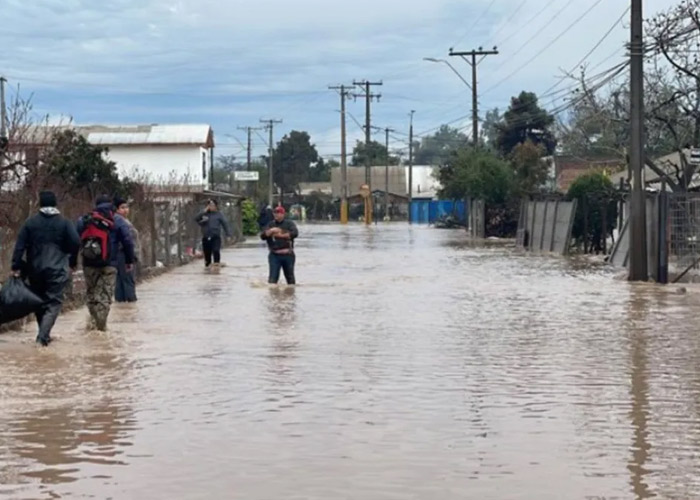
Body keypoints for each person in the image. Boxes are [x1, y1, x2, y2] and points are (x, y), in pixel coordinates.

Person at [11, 191, 80, 346]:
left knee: (39, 301)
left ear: (40, 204)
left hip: (35, 268)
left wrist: (16, 266)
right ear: (55, 204)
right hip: (57, 269)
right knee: (54, 302)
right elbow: (76, 242)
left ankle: (43, 334)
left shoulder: (30, 223)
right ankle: (42, 337)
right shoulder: (64, 222)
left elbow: (19, 246)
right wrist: (71, 260)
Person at [77, 195, 135, 331]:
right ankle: (101, 328)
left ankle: (92, 322)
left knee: (91, 293)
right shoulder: (117, 220)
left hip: (88, 264)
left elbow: (74, 240)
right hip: (109, 264)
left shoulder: (84, 220)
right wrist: (129, 261)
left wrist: (72, 261)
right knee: (105, 296)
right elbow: (128, 241)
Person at [261, 206, 299, 285]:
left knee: (290, 279)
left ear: (283, 214)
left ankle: (291, 295)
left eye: (278, 213)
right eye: (275, 213)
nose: (276, 215)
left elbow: (295, 233)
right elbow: (262, 236)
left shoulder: (289, 223)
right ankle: (273, 296)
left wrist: (281, 234)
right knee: (272, 280)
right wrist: (270, 231)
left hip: (288, 255)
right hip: (274, 255)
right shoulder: (271, 224)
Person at [113, 196, 140, 303]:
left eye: (127, 207)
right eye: (122, 208)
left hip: (121, 254)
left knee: (120, 281)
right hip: (124, 255)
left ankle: (121, 306)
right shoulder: (120, 222)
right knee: (128, 280)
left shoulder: (121, 220)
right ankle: (130, 303)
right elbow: (128, 241)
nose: (125, 210)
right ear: (117, 209)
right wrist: (132, 256)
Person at [195, 199, 232, 271]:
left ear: (216, 206)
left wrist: (228, 235)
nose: (211, 207)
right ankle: (207, 266)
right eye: (210, 205)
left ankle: (216, 265)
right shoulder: (204, 214)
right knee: (207, 253)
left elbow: (225, 224)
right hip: (206, 236)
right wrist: (204, 211)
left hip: (215, 236)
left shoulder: (219, 214)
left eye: (213, 205)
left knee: (216, 250)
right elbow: (196, 218)